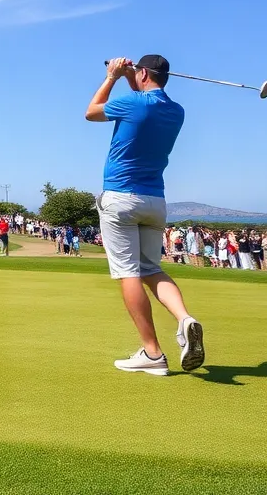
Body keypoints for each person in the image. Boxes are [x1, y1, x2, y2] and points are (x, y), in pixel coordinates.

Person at [86, 55, 203, 376]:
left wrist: (112, 76)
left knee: (129, 273)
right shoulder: (176, 111)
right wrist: (131, 75)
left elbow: (91, 112)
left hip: (121, 198)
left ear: (144, 74)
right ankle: (185, 319)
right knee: (151, 269)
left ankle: (152, 353)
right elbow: (145, 100)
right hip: (155, 200)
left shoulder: (132, 103)